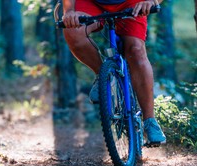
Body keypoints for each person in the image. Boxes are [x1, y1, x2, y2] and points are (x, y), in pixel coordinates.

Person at [61, 0, 166, 145]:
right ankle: (104, 76)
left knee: (136, 50)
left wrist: (152, 1)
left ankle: (150, 121)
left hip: (131, 3)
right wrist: (69, 12)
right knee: (73, 32)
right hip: (92, 3)